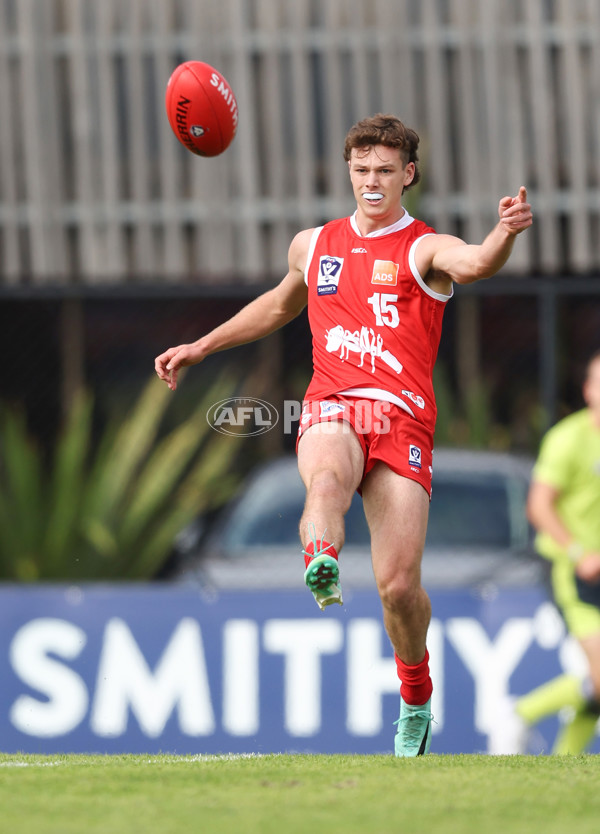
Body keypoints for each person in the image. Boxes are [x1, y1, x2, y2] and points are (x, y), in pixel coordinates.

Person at [155, 114, 532, 756]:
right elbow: (277, 306)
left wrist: (502, 233)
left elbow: (473, 264)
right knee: (325, 476)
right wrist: (202, 344)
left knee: (399, 588)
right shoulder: (315, 244)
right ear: (348, 172)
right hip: (333, 403)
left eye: (386, 170)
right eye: (362, 170)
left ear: (408, 174)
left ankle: (415, 698)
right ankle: (320, 560)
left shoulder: (422, 248)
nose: (372, 182)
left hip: (403, 420)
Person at [513, 350, 600, 754]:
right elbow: (539, 505)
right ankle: (523, 712)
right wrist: (579, 552)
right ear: (588, 390)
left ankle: (564, 763)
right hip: (576, 572)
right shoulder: (568, 439)